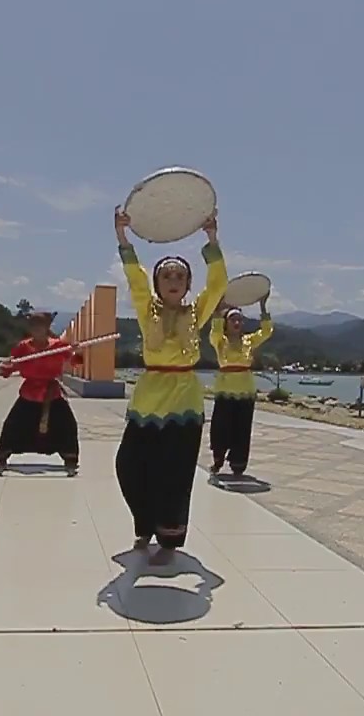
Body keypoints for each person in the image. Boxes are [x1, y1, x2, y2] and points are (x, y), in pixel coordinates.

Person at [113, 205, 227, 565]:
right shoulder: (148, 310)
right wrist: (123, 237)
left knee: (175, 472)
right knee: (130, 464)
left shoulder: (199, 312)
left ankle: (168, 539)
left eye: (180, 276)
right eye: (167, 276)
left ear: (188, 284)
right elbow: (134, 278)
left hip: (184, 399)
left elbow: (219, 284)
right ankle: (143, 522)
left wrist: (211, 239)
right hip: (150, 396)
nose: (173, 281)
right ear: (158, 284)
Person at [0, 312, 84, 475]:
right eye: (33, 326)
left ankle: (70, 460)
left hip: (51, 392)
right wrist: (6, 367)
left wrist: (76, 351)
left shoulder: (58, 346)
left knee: (66, 424)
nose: (37, 330)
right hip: (30, 392)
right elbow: (10, 368)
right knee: (13, 424)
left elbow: (76, 362)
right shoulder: (23, 347)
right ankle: (1, 458)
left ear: (47, 327)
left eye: (40, 326)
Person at [208, 298, 272, 479]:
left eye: (239, 320)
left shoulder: (249, 341)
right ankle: (218, 457)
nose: (237, 323)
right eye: (233, 319)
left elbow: (266, 332)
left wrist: (263, 307)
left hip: (245, 389)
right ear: (226, 323)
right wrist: (218, 312)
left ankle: (238, 463)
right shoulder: (219, 340)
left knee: (242, 428)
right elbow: (214, 331)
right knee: (221, 426)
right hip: (225, 388)